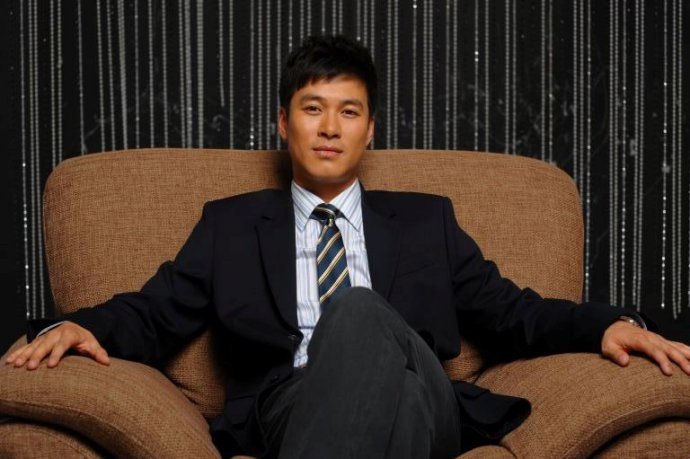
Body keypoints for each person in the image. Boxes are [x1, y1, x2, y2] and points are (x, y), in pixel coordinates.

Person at [6, 35, 690, 459]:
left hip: (429, 395)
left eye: (349, 111)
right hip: (289, 402)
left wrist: (609, 323)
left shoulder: (427, 220)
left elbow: (515, 312)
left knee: (358, 311)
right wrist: (75, 327)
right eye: (313, 108)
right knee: (382, 376)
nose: (330, 127)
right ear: (284, 123)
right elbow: (154, 313)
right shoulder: (230, 225)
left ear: (369, 131)